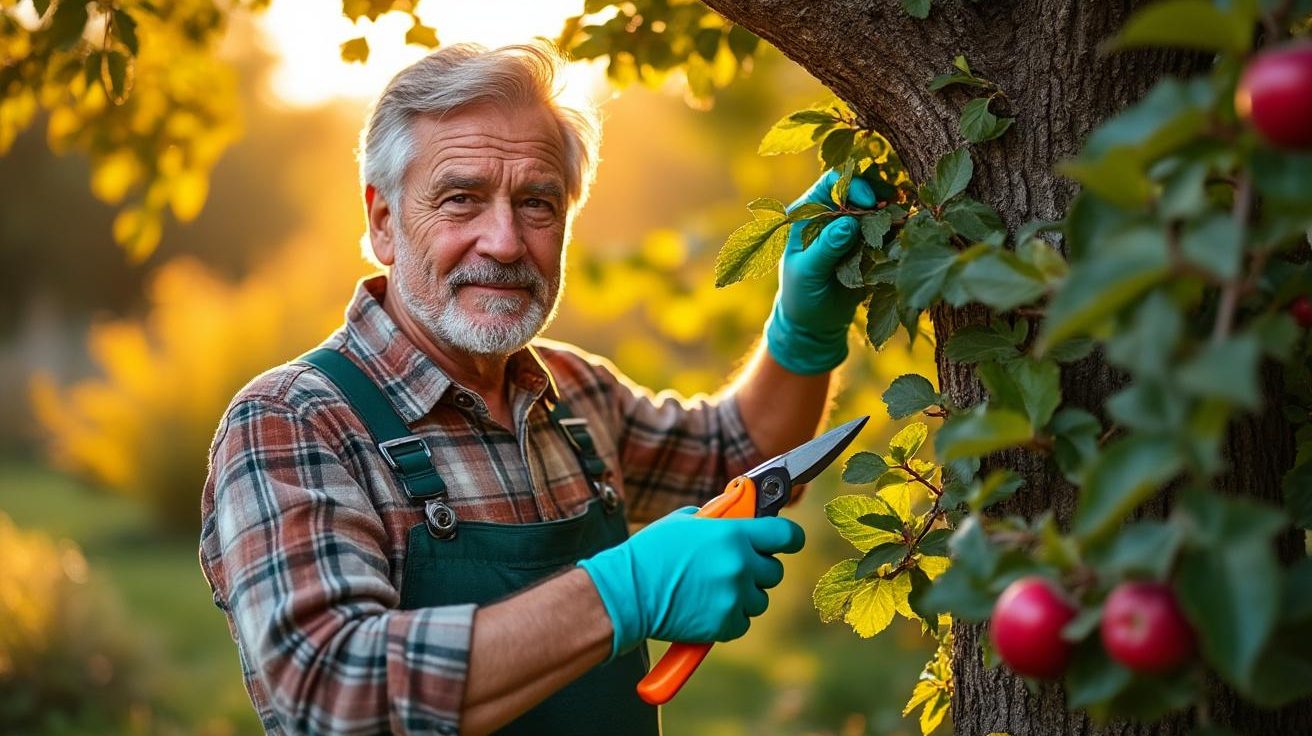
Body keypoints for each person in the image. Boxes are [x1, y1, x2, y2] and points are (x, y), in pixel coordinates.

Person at [199, 40, 884, 736]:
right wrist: (622, 594)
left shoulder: (573, 391)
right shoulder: (293, 418)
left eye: (537, 203)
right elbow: (330, 696)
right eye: (461, 198)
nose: (504, 241)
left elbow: (739, 461)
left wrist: (801, 335)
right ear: (383, 221)